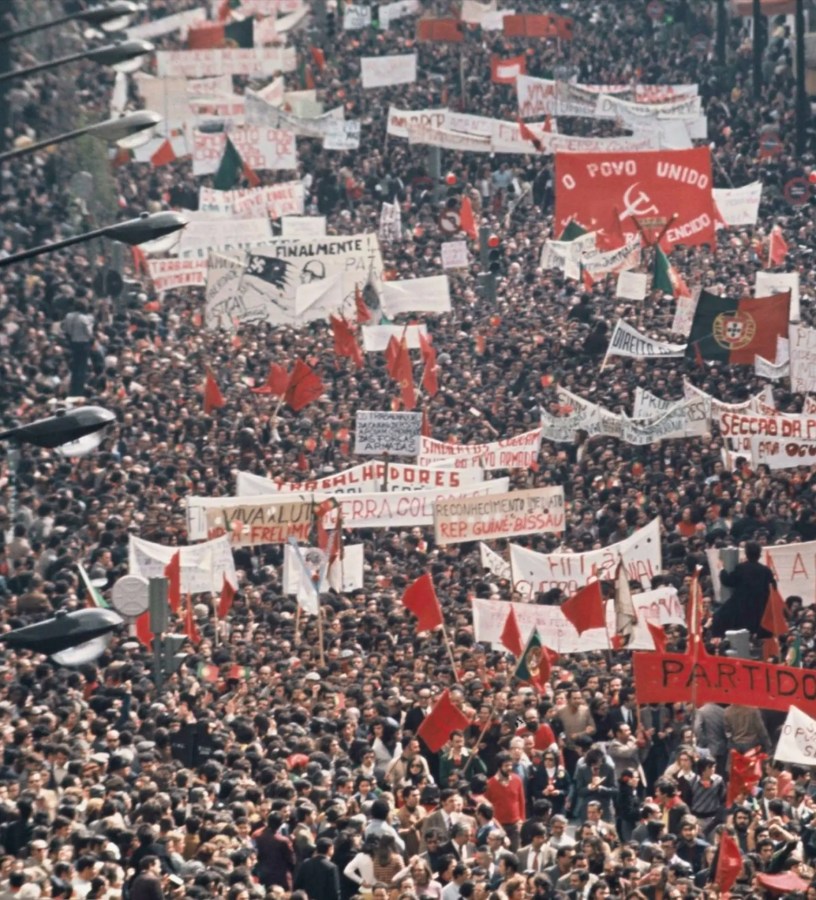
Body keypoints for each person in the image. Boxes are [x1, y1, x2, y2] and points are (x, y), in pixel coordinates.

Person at [714, 541, 777, 638]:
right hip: (760, 608)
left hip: (741, 606)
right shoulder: (765, 570)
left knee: (719, 617)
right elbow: (773, 588)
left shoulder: (741, 568)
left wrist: (722, 569)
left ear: (746, 554)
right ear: (759, 554)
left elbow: (728, 581)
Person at [293, 836, 341, 900]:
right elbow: (334, 891)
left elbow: (297, 885)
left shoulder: (306, 863)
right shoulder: (331, 867)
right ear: (330, 849)